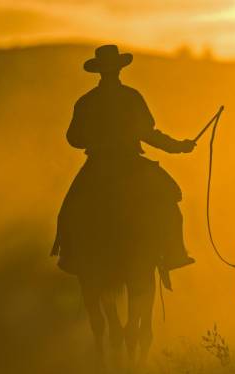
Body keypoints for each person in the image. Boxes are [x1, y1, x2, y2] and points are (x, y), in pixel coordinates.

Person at [52, 44, 196, 292]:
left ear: (100, 71)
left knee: (69, 210)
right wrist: (178, 147)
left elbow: (73, 138)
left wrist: (94, 136)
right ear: (119, 70)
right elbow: (148, 133)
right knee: (170, 198)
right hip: (131, 163)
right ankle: (173, 253)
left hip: (97, 166)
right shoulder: (131, 97)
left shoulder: (86, 101)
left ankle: (72, 257)